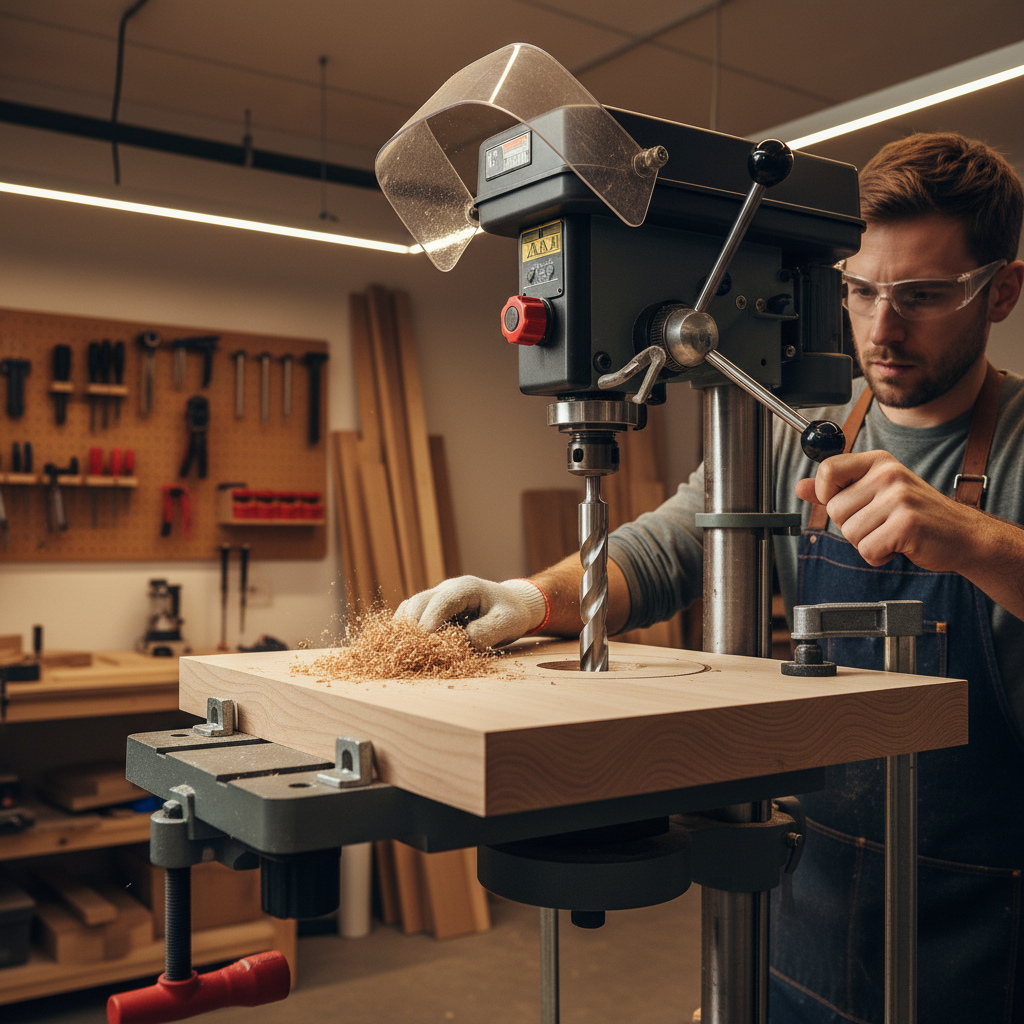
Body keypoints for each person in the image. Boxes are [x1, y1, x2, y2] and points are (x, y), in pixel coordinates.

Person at [397, 132, 1024, 1022]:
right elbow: (667, 546)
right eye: (860, 291)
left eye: (921, 297)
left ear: (1001, 288)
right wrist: (529, 600)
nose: (881, 329)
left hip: (981, 946)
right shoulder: (790, 425)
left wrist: (981, 544)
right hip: (803, 913)